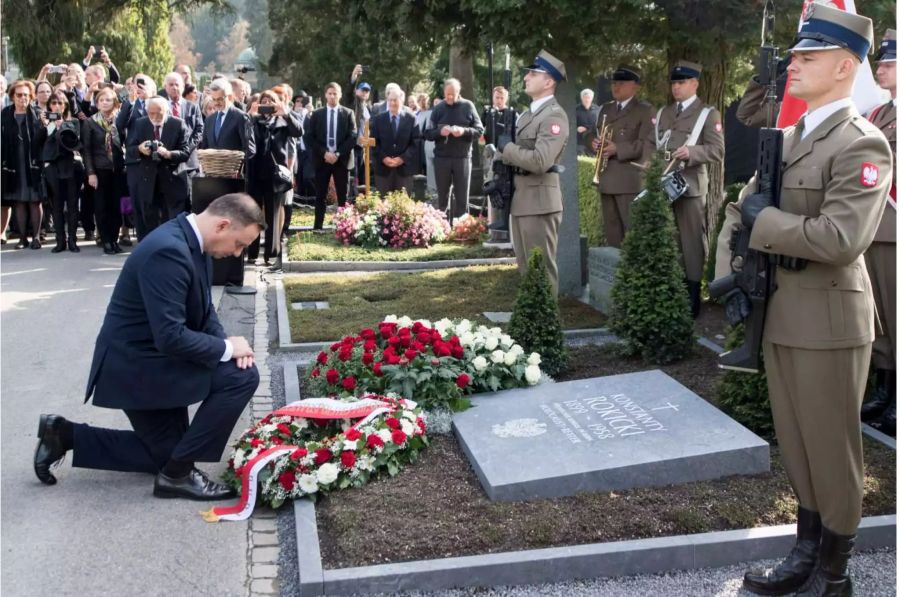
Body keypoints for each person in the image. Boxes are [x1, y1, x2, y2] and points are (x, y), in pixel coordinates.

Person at [715, 6, 891, 595]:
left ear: (845, 66)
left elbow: (841, 240)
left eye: (807, 57)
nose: (794, 65)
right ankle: (806, 553)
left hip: (830, 318)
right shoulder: (787, 137)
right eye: (795, 55)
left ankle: (835, 574)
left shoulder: (862, 143)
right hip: (782, 313)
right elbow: (742, 207)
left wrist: (765, 220)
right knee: (796, 443)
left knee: (832, 449)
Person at [33, 194, 263, 501]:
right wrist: (225, 349)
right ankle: (178, 475)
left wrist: (232, 347)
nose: (238, 253)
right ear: (223, 225)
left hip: (158, 361)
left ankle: (64, 434)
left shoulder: (195, 243)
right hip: (138, 368)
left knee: (168, 453)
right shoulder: (168, 250)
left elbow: (205, 313)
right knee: (240, 379)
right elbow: (170, 336)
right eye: (240, 244)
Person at [652, 59, 725, 318]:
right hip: (664, 184)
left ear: (694, 83)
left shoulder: (708, 114)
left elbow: (717, 150)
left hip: (690, 186)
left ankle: (692, 296)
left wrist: (692, 152)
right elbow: (655, 148)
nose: (676, 87)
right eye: (674, 82)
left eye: (681, 82)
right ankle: (669, 291)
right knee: (667, 240)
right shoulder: (663, 113)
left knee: (691, 242)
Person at [497, 50, 569, 295]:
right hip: (522, 199)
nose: (526, 77)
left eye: (533, 73)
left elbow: (540, 161)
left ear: (548, 82)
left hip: (539, 203)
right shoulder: (529, 114)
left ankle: (547, 328)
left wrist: (507, 148)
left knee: (541, 272)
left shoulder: (554, 116)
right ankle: (533, 326)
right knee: (526, 271)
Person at [860, 28, 897, 436]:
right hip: (873, 224)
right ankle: (886, 391)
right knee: (880, 318)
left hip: (895, 225)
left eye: (888, 63)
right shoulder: (879, 114)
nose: (880, 69)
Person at [591, 65, 654, 248]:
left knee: (632, 233)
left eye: (621, 83)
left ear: (635, 86)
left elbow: (646, 144)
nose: (616, 87)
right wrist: (592, 142)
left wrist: (617, 148)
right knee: (612, 234)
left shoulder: (644, 110)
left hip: (629, 181)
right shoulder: (605, 109)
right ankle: (614, 274)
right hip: (606, 179)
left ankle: (632, 274)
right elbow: (592, 134)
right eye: (614, 83)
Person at [246, 90, 302, 269]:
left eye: (271, 101)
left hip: (275, 175)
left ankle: (271, 253)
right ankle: (252, 252)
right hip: (255, 173)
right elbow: (243, 134)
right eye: (264, 101)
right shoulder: (253, 120)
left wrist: (284, 113)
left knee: (273, 214)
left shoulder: (283, 121)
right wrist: (250, 115)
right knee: (254, 214)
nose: (267, 104)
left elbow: (298, 131)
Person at [124, 97, 191, 238]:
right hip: (148, 180)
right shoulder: (140, 124)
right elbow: (129, 149)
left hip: (171, 179)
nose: (154, 117)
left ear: (167, 111)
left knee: (172, 221)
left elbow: (186, 152)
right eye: (151, 113)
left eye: (158, 113)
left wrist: (169, 153)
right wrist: (139, 149)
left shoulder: (178, 124)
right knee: (148, 219)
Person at [423, 78, 484, 223]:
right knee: (442, 195)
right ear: (444, 92)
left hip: (462, 157)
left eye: (453, 94)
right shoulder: (438, 108)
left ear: (459, 92)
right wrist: (439, 132)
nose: (449, 97)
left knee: (462, 196)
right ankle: (442, 226)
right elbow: (427, 133)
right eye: (447, 94)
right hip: (442, 158)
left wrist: (463, 131)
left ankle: (462, 227)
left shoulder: (468, 106)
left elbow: (479, 130)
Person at [304, 82, 356, 230]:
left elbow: (352, 137)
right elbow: (309, 137)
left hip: (342, 160)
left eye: (335, 93)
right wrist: (324, 153)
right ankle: (318, 227)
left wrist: (338, 153)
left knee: (342, 196)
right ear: (325, 95)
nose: (332, 96)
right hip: (322, 160)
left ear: (339, 95)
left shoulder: (348, 113)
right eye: (330, 93)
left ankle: (343, 227)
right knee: (320, 195)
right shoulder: (317, 114)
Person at [37, 89, 84, 253]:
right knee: (56, 205)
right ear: (49, 105)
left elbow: (73, 144)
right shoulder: (45, 123)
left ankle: (72, 240)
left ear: (65, 105)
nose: (57, 106)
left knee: (72, 204)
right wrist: (45, 126)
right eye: (54, 103)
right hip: (52, 168)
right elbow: (38, 143)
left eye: (60, 103)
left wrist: (61, 127)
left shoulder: (74, 123)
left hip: (70, 166)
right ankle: (60, 241)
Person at [83, 87, 126, 254]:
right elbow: (86, 150)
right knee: (101, 206)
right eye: (101, 100)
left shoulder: (118, 120)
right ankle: (106, 240)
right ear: (97, 103)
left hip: (117, 169)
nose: (105, 102)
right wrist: (91, 173)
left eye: (108, 99)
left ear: (114, 102)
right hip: (99, 169)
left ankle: (114, 240)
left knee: (116, 206)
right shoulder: (90, 122)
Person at [1, 80, 44, 249]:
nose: (23, 98)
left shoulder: (37, 113)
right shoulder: (5, 114)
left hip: (32, 162)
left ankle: (36, 237)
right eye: (19, 95)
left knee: (35, 200)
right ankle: (22, 238)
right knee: (18, 200)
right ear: (12, 97)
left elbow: (44, 140)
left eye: (26, 95)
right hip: (13, 162)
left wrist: (44, 126)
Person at [163, 72, 204, 210]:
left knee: (189, 203)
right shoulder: (161, 106)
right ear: (165, 87)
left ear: (183, 86)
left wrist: (186, 149)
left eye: (177, 84)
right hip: (167, 162)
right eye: (171, 84)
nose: (174, 87)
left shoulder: (193, 106)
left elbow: (199, 130)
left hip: (189, 163)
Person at [370, 87, 421, 194]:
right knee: (383, 206)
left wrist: (402, 158)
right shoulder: (378, 119)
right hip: (383, 170)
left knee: (403, 208)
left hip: (404, 170)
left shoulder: (411, 119)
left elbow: (416, 142)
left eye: (395, 100)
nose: (392, 103)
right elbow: (374, 143)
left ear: (402, 100)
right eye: (390, 100)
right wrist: (384, 158)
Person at [200, 78, 255, 158]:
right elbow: (205, 148)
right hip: (212, 169)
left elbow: (250, 149)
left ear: (229, 97)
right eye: (214, 99)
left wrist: (236, 165)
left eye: (220, 99)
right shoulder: (209, 120)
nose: (216, 103)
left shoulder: (241, 117)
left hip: (234, 169)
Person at [576, 88, 601, 156]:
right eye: (585, 97)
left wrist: (587, 129)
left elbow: (600, 125)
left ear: (592, 98)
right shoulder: (576, 109)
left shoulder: (597, 110)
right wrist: (576, 128)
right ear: (581, 98)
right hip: (579, 142)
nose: (587, 100)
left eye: (588, 98)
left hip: (592, 142)